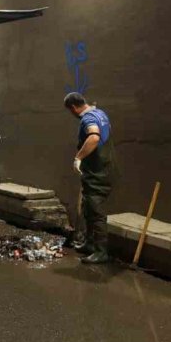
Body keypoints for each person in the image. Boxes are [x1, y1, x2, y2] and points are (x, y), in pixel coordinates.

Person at [64, 92, 114, 264]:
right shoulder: (100, 113)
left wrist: (78, 157)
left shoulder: (88, 119)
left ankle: (101, 252)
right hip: (101, 169)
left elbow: (94, 136)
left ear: (73, 108)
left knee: (96, 211)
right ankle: (90, 244)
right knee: (88, 208)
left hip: (97, 173)